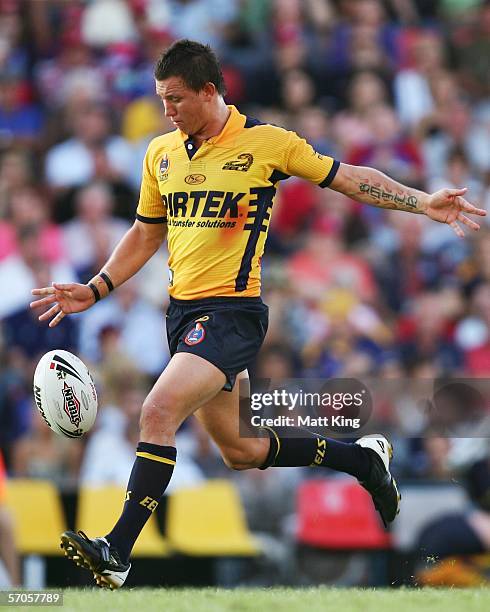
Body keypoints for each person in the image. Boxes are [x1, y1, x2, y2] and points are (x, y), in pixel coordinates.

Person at [30, 39, 486, 590]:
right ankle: (362, 461)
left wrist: (421, 202)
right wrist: (97, 287)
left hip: (233, 315)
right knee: (241, 450)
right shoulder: (161, 154)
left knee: (157, 411)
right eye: (161, 100)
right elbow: (146, 231)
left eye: (175, 99)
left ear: (209, 90)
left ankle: (116, 550)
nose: (167, 111)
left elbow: (349, 178)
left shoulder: (267, 144)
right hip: (182, 316)